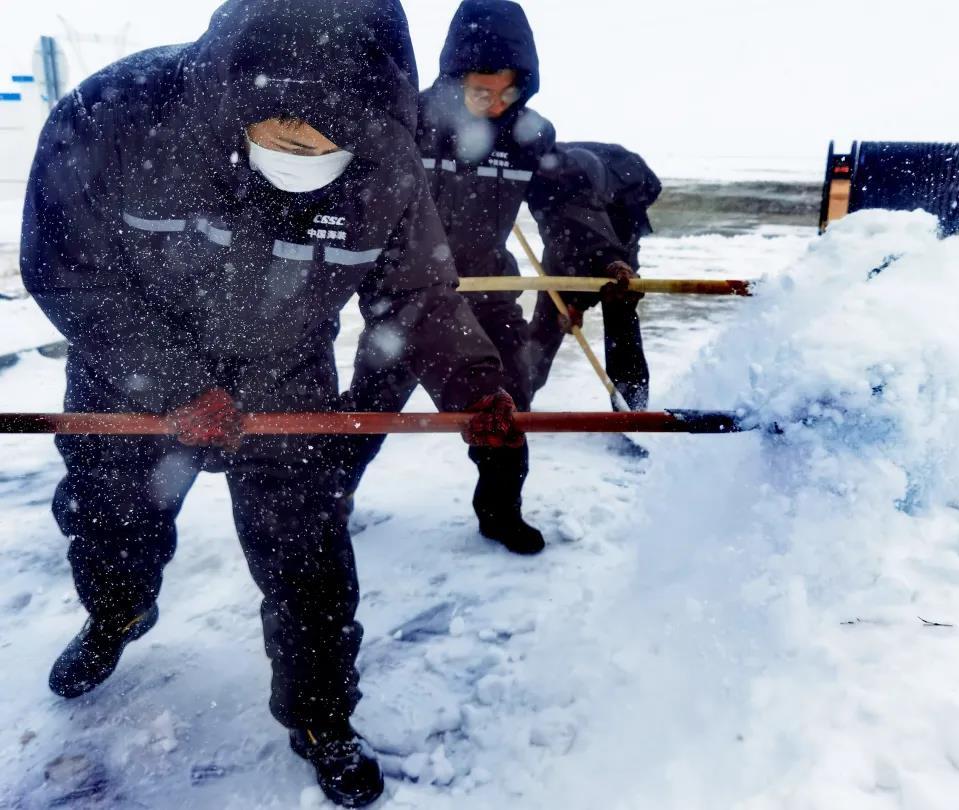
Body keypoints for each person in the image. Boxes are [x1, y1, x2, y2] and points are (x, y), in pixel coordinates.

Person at [20, 1, 521, 806]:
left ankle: (321, 714)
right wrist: (177, 383)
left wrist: (473, 385)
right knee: (111, 515)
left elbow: (418, 295)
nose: (303, 156)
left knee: (307, 552)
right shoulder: (114, 118)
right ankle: (117, 612)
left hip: (283, 373)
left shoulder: (387, 164)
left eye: (325, 145)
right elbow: (65, 267)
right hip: (132, 372)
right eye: (282, 136)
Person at [347, 0, 555, 555]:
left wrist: (596, 256)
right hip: (411, 298)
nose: (496, 105)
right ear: (454, 77)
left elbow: (562, 203)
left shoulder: (531, 135)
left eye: (509, 92)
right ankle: (327, 502)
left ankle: (500, 514)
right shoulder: (408, 122)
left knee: (506, 412)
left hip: (489, 292)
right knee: (367, 411)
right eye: (482, 92)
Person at [525, 142, 662, 412]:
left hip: (625, 203)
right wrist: (573, 303)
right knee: (550, 314)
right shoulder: (544, 180)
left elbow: (599, 247)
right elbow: (566, 246)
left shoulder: (594, 194)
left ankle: (632, 410)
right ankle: (516, 394)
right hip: (588, 199)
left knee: (620, 303)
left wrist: (615, 272)